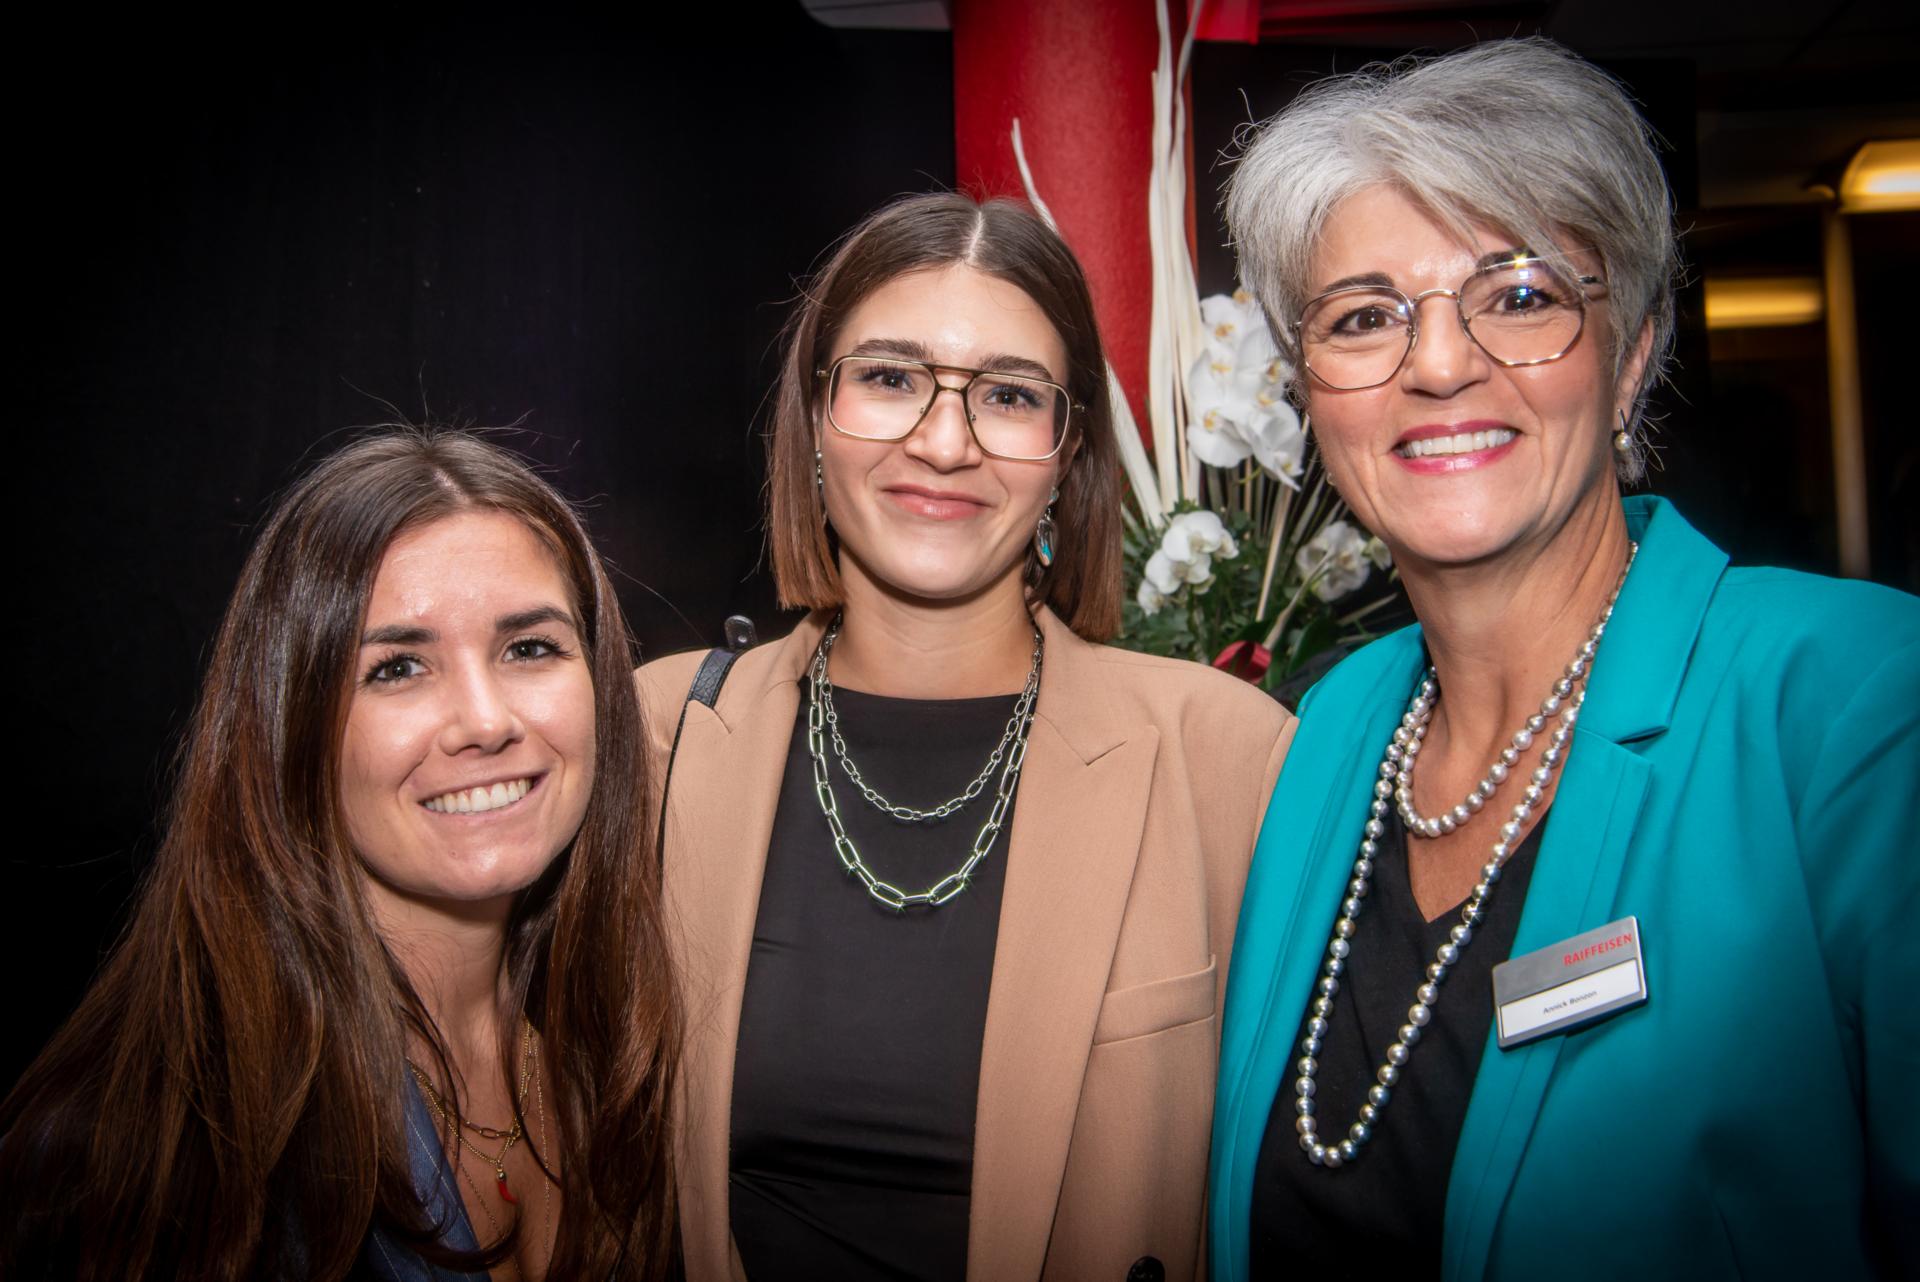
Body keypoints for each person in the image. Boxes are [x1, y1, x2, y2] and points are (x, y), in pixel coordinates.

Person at [1206, 37, 1919, 1281]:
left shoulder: (1851, 698)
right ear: (1312, 394)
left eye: (1522, 296)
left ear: (1632, 354)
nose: (1440, 365)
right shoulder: (1326, 728)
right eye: (1365, 317)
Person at [637, 192, 1294, 1282]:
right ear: (815, 419)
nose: (945, 442)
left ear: (1066, 452)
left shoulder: (1229, 757)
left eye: (1009, 395)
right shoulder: (660, 737)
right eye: (891, 378)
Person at [2, 430, 679, 1281]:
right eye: (397, 668)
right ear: (290, 726)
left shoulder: (630, 1061)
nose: (485, 721)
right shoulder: (143, 1166)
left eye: (529, 648)